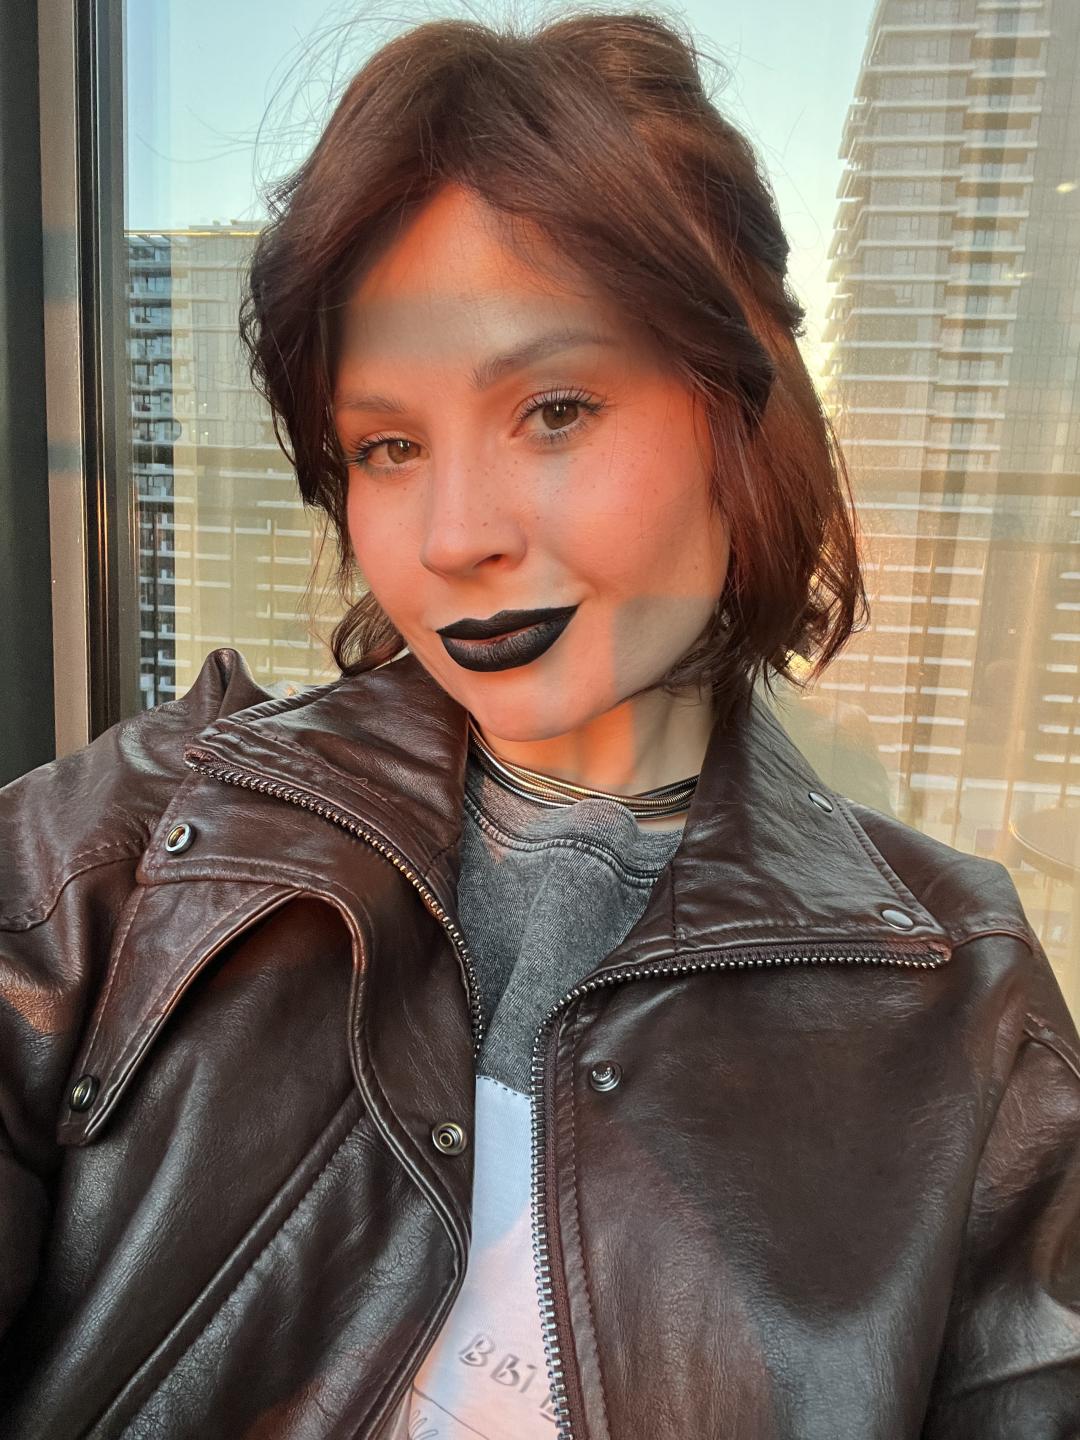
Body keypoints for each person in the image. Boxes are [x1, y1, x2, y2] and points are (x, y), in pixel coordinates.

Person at [2, 10, 1079, 1439]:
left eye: (555, 409)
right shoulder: (142, 841)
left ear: (738, 407)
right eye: (388, 446)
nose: (455, 536)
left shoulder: (956, 1005)